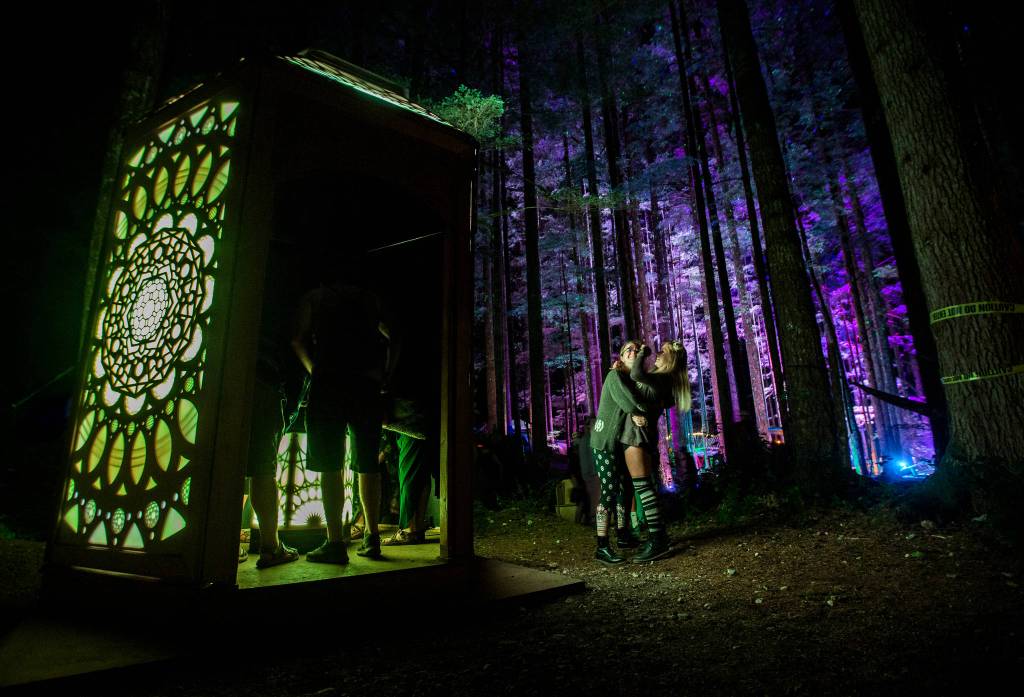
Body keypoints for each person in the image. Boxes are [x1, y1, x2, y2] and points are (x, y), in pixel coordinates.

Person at [291, 275, 397, 564]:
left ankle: (335, 541)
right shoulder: (370, 298)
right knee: (367, 464)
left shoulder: (315, 297)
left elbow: (297, 340)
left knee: (329, 464)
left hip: (328, 384)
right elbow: (394, 335)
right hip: (366, 385)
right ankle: (372, 538)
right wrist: (385, 374)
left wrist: (315, 371)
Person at [622, 340, 692, 562]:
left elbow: (635, 375)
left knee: (644, 488)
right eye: (658, 351)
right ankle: (658, 536)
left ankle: (657, 540)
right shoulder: (661, 379)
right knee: (645, 487)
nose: (658, 354)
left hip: (637, 436)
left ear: (671, 359)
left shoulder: (662, 378)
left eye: (663, 352)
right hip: (639, 435)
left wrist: (642, 352)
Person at [589, 340, 649, 565]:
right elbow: (628, 402)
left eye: (637, 350)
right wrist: (638, 411)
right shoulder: (614, 376)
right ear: (621, 358)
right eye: (629, 350)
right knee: (609, 490)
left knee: (625, 489)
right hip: (603, 442)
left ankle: (623, 536)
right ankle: (601, 546)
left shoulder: (628, 378)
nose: (634, 352)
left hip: (618, 444)